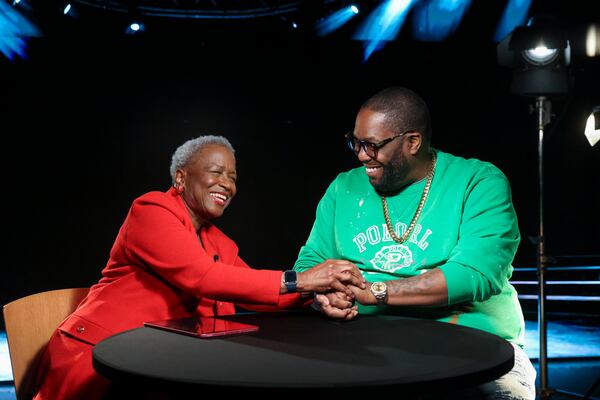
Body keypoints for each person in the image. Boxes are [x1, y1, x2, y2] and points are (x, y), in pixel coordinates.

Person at [33, 135, 366, 400]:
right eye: (216, 172)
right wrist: (304, 278)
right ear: (181, 177)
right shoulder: (151, 209)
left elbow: (259, 291)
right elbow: (203, 278)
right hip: (98, 353)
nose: (227, 184)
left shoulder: (218, 242)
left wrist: (318, 295)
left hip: (154, 365)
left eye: (233, 177)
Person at [294, 87, 537, 399]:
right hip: (366, 343)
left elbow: (475, 275)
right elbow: (310, 260)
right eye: (355, 142)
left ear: (412, 142)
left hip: (473, 342)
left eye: (372, 145)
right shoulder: (344, 187)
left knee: (507, 393)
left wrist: (376, 292)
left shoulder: (478, 182)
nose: (361, 154)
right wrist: (322, 293)